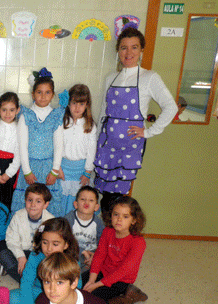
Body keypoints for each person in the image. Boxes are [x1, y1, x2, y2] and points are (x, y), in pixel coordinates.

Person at [94, 27, 177, 214]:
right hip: (107, 144)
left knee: (119, 199)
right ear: (118, 51)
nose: (128, 52)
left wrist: (148, 132)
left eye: (134, 47)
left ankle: (117, 231)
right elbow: (103, 112)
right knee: (105, 194)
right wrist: (97, 140)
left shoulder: (149, 77)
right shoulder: (111, 78)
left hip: (129, 147)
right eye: (124, 47)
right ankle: (106, 231)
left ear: (141, 51)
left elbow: (171, 107)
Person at [11, 67, 68, 217]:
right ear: (33, 94)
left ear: (52, 95)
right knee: (29, 204)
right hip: (30, 167)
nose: (43, 96)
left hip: (49, 168)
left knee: (47, 204)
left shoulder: (56, 115)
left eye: (47, 92)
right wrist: (27, 171)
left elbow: (59, 145)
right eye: (39, 92)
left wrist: (55, 170)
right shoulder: (26, 115)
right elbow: (22, 146)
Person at [10, 217, 79, 304]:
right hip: (40, 294)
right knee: (11, 297)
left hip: (61, 297)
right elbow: (26, 284)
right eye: (45, 242)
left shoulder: (71, 260)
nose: (49, 248)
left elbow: (76, 290)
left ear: (66, 245)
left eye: (55, 244)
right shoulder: (36, 256)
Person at [82, 196, 147, 304]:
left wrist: (96, 285)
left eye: (125, 216)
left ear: (134, 220)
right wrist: (91, 280)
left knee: (91, 303)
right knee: (75, 283)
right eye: (116, 214)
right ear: (110, 215)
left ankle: (128, 297)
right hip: (104, 271)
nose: (119, 219)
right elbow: (99, 256)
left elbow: (123, 271)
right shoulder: (108, 231)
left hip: (121, 280)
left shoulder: (138, 242)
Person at [47, 84, 97, 217]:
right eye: (74, 103)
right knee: (60, 202)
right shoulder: (62, 121)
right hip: (62, 168)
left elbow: (92, 151)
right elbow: (54, 146)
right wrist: (57, 168)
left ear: (87, 105)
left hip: (81, 171)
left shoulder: (90, 125)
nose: (77, 107)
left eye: (81, 104)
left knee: (77, 201)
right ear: (68, 103)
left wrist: (87, 172)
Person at [5, 183, 54, 282]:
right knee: (3, 255)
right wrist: (20, 256)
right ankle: (29, 279)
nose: (33, 205)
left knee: (50, 263)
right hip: (22, 251)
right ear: (25, 200)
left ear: (46, 204)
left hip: (39, 254)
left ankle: (31, 279)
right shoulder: (18, 216)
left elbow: (51, 245)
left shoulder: (50, 220)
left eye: (38, 201)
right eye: (30, 200)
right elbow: (11, 240)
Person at [64, 186, 104, 270]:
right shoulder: (69, 219)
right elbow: (65, 240)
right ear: (76, 204)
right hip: (72, 253)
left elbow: (102, 242)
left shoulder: (98, 222)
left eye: (91, 200)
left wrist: (95, 256)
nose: (86, 202)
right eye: (83, 199)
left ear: (96, 207)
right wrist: (82, 251)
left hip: (91, 256)